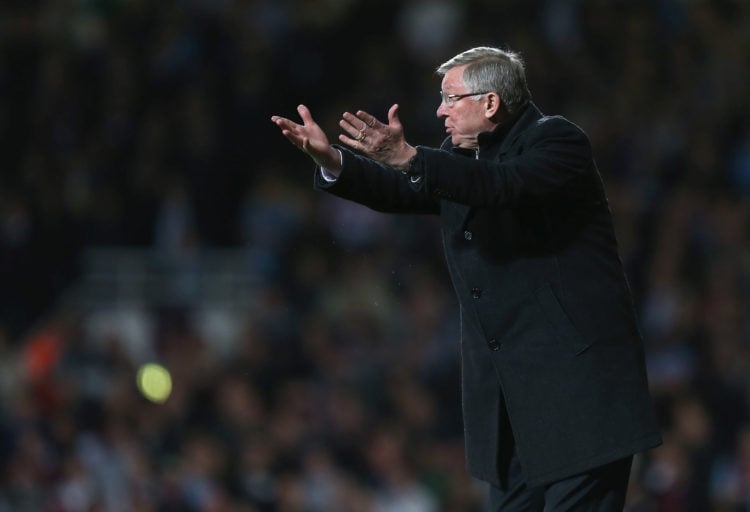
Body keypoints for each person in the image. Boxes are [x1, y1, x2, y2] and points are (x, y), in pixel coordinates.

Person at [271, 46, 662, 511]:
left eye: (450, 98)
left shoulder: (556, 142)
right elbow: (404, 189)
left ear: (490, 103)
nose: (439, 110)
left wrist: (412, 159)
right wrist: (332, 160)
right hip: (511, 406)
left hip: (579, 399)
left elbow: (504, 187)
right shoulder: (460, 159)